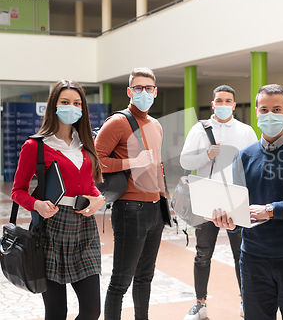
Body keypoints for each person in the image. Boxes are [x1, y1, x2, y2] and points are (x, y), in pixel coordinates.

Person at [210, 84, 283, 320]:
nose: (269, 115)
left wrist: (271, 210)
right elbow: (239, 207)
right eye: (264, 110)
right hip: (253, 261)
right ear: (256, 112)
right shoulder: (244, 157)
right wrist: (229, 221)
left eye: (276, 109)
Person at [11, 80, 105, 320]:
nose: (71, 107)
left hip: (84, 228)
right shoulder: (35, 146)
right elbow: (17, 190)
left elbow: (90, 184)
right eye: (65, 102)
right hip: (51, 230)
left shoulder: (86, 143)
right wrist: (37, 205)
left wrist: (98, 198)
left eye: (76, 103)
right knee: (56, 313)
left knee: (92, 311)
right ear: (54, 105)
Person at [180, 85, 257, 320]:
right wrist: (206, 155)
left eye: (228, 101)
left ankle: (246, 301)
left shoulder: (245, 131)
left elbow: (255, 164)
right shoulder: (200, 128)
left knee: (241, 254)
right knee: (203, 253)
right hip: (206, 199)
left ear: (234, 104)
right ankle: (200, 304)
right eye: (219, 101)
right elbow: (184, 160)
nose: (223, 104)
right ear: (213, 104)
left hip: (234, 199)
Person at [96, 67, 166, 320]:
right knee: (120, 281)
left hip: (155, 208)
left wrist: (166, 199)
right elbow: (96, 161)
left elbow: (157, 165)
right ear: (129, 91)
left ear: (155, 92)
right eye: (138, 87)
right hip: (130, 209)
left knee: (145, 278)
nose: (143, 92)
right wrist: (132, 162)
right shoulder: (118, 122)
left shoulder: (156, 125)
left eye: (148, 88)